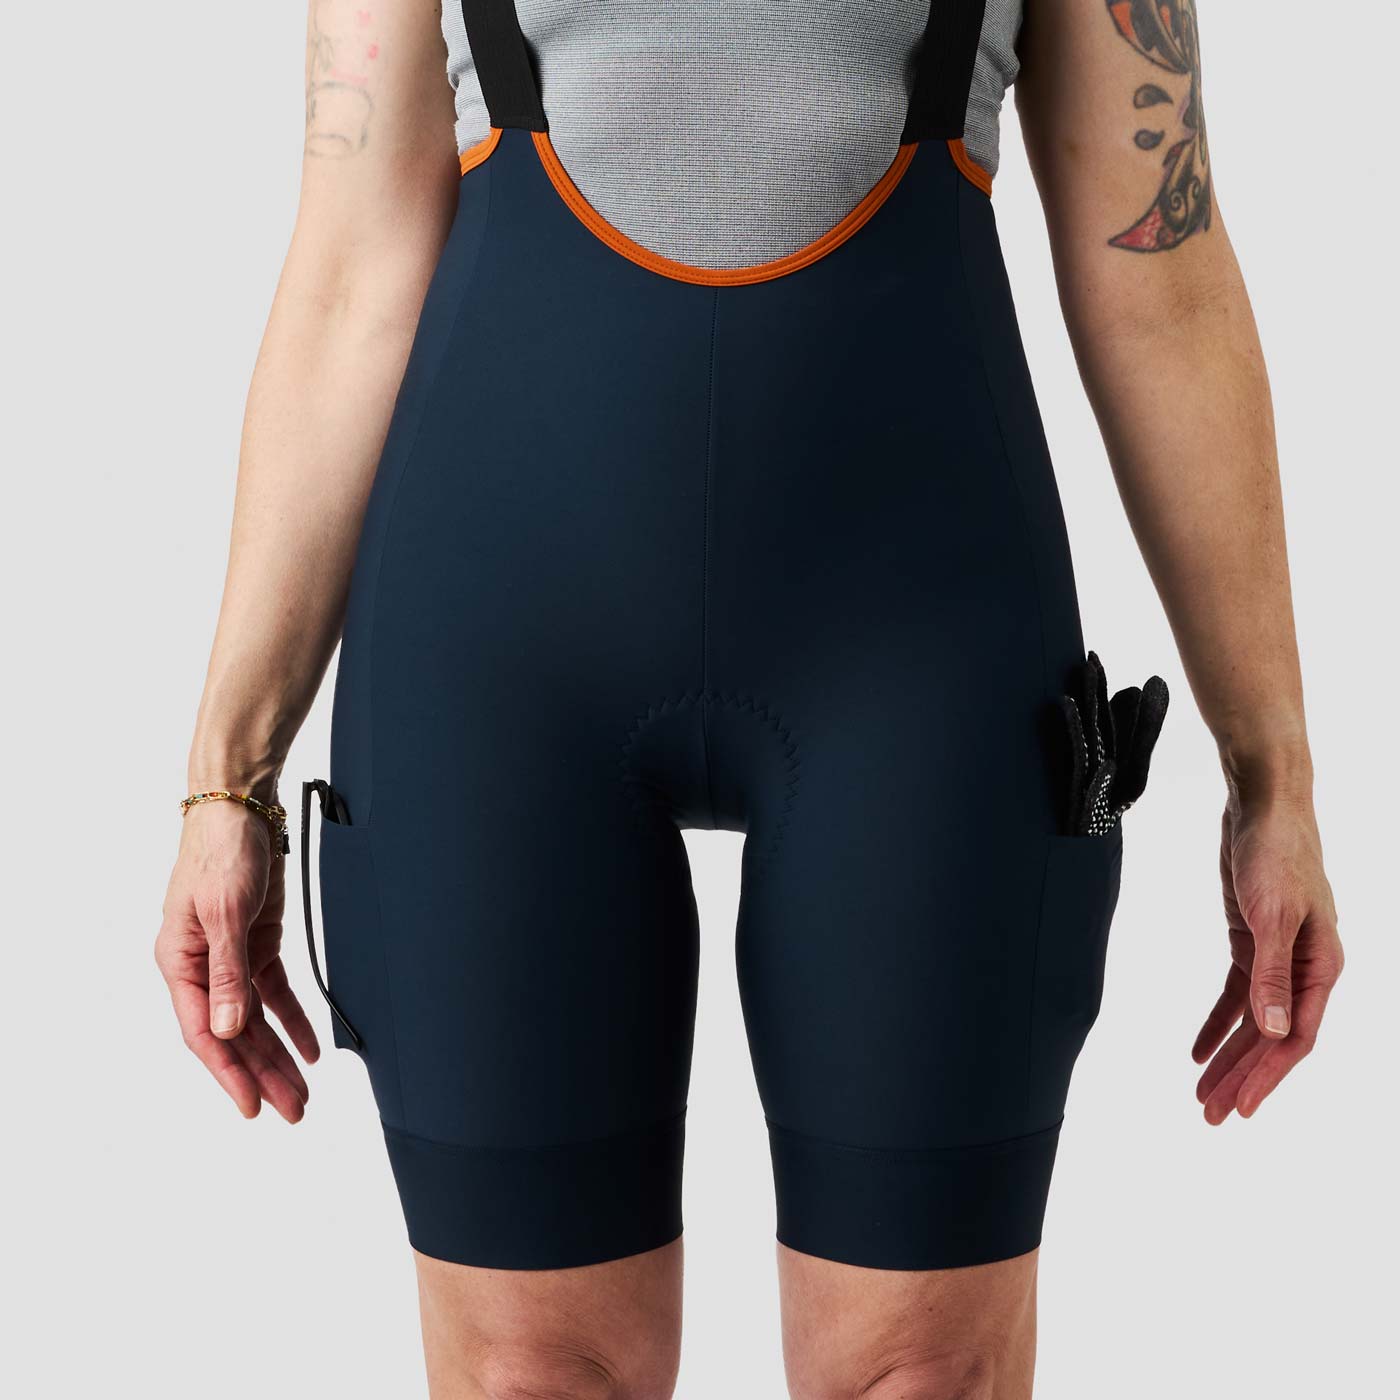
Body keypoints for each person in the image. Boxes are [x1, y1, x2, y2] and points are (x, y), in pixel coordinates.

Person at [156, 3, 1343, 1396]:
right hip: (500, 650)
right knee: (529, 1375)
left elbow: (1160, 270)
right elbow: (351, 273)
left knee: (924, 1374)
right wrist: (227, 777)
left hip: (915, 634)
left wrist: (1273, 774)